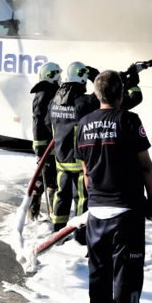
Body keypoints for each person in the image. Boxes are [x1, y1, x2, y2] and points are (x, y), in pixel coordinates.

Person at [76, 70, 152, 303]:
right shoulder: (129, 120)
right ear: (121, 94)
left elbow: (86, 173)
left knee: (98, 273)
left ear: (98, 95)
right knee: (127, 273)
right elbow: (145, 165)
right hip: (127, 213)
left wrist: (95, 199)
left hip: (97, 213)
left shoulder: (84, 124)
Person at [48, 61, 100, 232]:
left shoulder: (53, 102)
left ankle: (57, 231)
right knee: (81, 199)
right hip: (79, 161)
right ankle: (80, 234)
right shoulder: (83, 102)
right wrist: (96, 76)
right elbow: (101, 95)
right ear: (82, 80)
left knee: (61, 196)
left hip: (61, 159)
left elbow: (48, 123)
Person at [28, 61, 61, 220]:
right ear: (51, 76)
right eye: (57, 74)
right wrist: (40, 149)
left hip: (50, 145)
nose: (60, 77)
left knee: (42, 178)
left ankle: (34, 210)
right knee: (50, 180)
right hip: (47, 146)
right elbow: (38, 123)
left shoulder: (50, 91)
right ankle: (53, 214)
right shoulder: (43, 94)